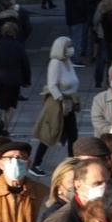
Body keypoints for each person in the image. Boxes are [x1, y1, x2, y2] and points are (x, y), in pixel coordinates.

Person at [33, 35, 81, 171]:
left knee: (73, 134)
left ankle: (72, 161)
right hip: (58, 104)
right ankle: (36, 163)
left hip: (69, 103)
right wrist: (62, 100)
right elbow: (52, 85)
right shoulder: (55, 63)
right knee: (50, 133)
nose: (71, 49)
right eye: (68, 46)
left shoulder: (67, 62)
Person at [0, 21, 33, 124]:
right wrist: (27, 80)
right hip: (14, 79)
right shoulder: (19, 46)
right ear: (15, 32)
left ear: (3, 31)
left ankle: (0, 123)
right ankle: (6, 127)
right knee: (11, 104)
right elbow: (25, 64)